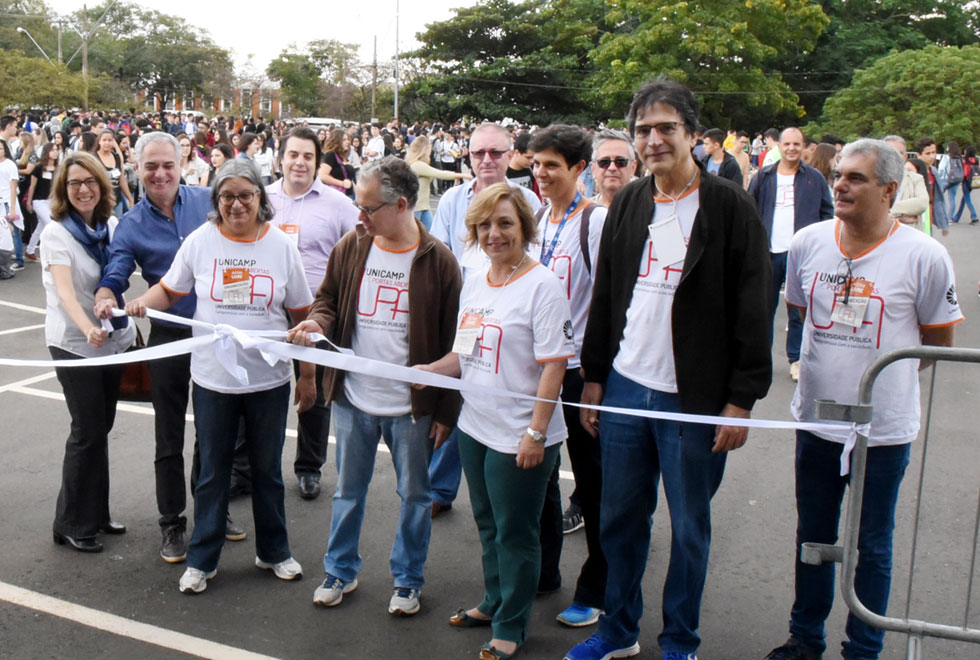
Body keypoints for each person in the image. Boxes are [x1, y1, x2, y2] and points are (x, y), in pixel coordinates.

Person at [565, 77, 772, 660]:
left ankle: (679, 640)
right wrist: (598, 376)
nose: (653, 140)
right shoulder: (629, 200)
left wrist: (741, 399)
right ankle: (618, 632)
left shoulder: (730, 205)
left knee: (689, 530)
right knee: (619, 521)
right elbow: (607, 295)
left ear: (692, 135)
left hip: (695, 398)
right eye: (643, 131)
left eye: (666, 129)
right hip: (628, 388)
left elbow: (755, 303)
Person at [763, 138, 963, 660]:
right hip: (816, 423)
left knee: (871, 545)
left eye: (856, 178)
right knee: (813, 538)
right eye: (838, 176)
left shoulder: (925, 255)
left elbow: (935, 342)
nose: (841, 185)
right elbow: (799, 310)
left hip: (883, 428)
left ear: (890, 190)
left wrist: (879, 382)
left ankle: (864, 648)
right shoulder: (809, 243)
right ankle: (804, 639)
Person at [124, 158, 314, 594]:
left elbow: (302, 314)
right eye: (226, 196)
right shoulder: (200, 240)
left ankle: (275, 552)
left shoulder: (282, 246)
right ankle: (202, 559)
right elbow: (172, 289)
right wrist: (142, 300)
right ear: (216, 201)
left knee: (267, 470)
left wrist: (308, 376)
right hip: (213, 380)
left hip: (268, 379)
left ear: (260, 199)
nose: (236, 204)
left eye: (245, 195)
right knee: (213, 471)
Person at [287, 157, 461, 615]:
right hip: (353, 398)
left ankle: (408, 580)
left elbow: (455, 343)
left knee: (416, 497)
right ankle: (339, 570)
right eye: (357, 206)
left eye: (368, 208)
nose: (359, 216)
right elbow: (327, 301)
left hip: (411, 408)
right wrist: (315, 323)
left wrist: (445, 411)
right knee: (347, 491)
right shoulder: (354, 243)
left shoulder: (439, 262)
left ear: (402, 204)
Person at [417, 182, 574, 660]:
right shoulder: (479, 280)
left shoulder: (543, 285)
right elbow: (464, 354)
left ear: (524, 227)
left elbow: (555, 365)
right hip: (476, 425)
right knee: (487, 523)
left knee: (516, 532)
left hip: (519, 433)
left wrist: (535, 432)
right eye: (484, 225)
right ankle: (493, 600)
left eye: (504, 223)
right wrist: (428, 371)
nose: (493, 233)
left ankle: (512, 625)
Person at [94, 132, 237, 564]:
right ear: (138, 169)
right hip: (169, 337)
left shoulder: (209, 202)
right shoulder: (132, 224)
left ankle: (214, 511)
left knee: (215, 432)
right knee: (169, 435)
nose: (160, 174)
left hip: (215, 333)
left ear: (182, 164)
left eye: (167, 165)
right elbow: (117, 271)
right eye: (151, 166)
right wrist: (105, 295)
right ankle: (171, 521)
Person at [428, 123, 542, 517]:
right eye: (479, 154)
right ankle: (440, 489)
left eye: (496, 153)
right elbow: (441, 259)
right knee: (458, 397)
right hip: (466, 314)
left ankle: (509, 490)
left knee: (499, 402)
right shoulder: (452, 201)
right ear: (468, 156)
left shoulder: (527, 200)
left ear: (511, 155)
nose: (487, 161)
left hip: (511, 319)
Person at [529, 124, 609, 628]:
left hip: (580, 372)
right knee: (536, 472)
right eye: (535, 164)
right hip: (536, 371)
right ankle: (544, 570)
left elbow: (607, 305)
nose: (540, 174)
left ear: (579, 169)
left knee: (594, 483)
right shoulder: (535, 217)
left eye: (551, 165)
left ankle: (598, 586)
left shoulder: (595, 223)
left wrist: (598, 377)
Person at [42, 152, 136, 552]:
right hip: (74, 343)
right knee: (87, 431)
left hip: (111, 342)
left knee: (101, 429)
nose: (83, 189)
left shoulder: (111, 226)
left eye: (90, 181)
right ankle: (71, 523)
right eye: (74, 183)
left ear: (102, 185)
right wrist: (88, 329)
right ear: (64, 190)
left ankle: (96, 513)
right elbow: (65, 294)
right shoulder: (56, 234)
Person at [266, 127, 360, 499]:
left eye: (308, 156)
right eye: (293, 155)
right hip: (269, 312)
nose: (300, 162)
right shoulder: (264, 198)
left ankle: (309, 467)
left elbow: (365, 239)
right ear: (281, 158)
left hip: (318, 313)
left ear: (318, 161)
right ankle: (250, 467)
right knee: (262, 391)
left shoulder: (337, 203)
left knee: (315, 393)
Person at [749, 127, 834, 382]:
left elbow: (826, 213)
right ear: (780, 146)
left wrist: (820, 246)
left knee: (798, 309)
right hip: (769, 252)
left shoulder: (814, 178)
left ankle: (796, 359)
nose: (792, 148)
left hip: (802, 254)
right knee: (764, 309)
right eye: (787, 144)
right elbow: (749, 211)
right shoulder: (763, 176)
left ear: (804, 146)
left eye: (797, 144)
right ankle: (760, 360)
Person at [406, 136, 471, 230]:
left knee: (432, 235)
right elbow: (440, 174)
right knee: (420, 235)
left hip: (423, 206)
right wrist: (464, 175)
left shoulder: (418, 164)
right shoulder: (418, 165)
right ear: (425, 149)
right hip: (416, 207)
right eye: (429, 148)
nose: (431, 150)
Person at [24, 143, 59, 262]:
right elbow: (32, 186)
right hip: (39, 201)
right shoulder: (39, 167)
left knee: (41, 227)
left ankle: (29, 250)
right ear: (47, 152)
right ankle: (52, 251)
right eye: (52, 150)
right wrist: (29, 202)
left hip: (52, 200)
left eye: (56, 150)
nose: (55, 152)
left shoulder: (58, 168)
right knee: (51, 224)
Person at [590, 129, 636, 208]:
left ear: (633, 168)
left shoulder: (647, 210)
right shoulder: (582, 213)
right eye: (604, 162)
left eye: (620, 162)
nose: (612, 168)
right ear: (593, 169)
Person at [913, 137, 949, 236]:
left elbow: (939, 199)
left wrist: (943, 223)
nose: (932, 156)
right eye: (928, 153)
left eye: (934, 152)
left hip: (928, 214)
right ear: (919, 155)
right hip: (915, 216)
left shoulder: (933, 171)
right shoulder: (912, 170)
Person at [94, 130, 134, 218]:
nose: (107, 143)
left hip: (116, 200)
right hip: (100, 202)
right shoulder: (93, 158)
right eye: (104, 140)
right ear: (99, 141)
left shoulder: (116, 157)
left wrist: (130, 199)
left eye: (110, 140)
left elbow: (121, 179)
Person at [318, 129, 357, 199]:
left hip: (349, 195)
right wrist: (341, 183)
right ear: (337, 141)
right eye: (344, 140)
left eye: (348, 139)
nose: (348, 142)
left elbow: (349, 179)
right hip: (337, 195)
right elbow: (322, 176)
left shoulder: (343, 157)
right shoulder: (330, 155)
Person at [951, 145, 979, 224]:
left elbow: (965, 173)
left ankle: (974, 216)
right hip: (973, 182)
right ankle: (956, 218)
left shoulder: (965, 160)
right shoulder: (976, 160)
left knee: (967, 200)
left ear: (967, 152)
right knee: (964, 200)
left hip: (966, 181)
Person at [939, 141, 963, 216]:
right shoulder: (959, 157)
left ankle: (941, 214)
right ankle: (950, 217)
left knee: (939, 197)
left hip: (946, 178)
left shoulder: (946, 156)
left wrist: (939, 176)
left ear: (950, 148)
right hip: (956, 179)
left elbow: (941, 168)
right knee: (952, 198)